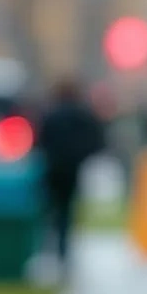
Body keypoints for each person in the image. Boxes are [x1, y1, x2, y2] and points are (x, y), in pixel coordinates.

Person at [35, 77, 106, 275]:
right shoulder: (83, 115)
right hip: (73, 169)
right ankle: (63, 251)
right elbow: (97, 141)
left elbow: (40, 141)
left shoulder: (50, 114)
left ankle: (50, 248)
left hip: (52, 168)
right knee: (67, 210)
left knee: (51, 209)